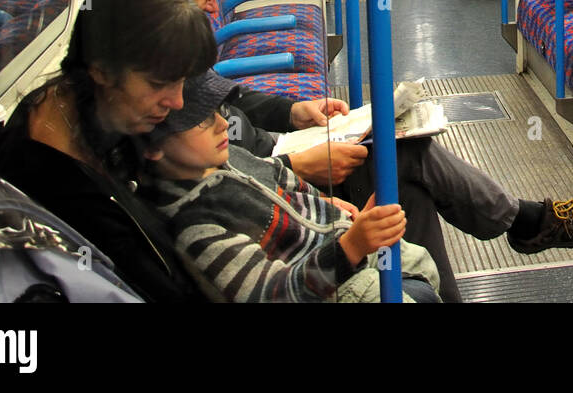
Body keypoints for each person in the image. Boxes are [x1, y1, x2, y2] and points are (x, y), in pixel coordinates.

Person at [127, 0, 573, 302]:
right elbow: (212, 178)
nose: (215, 9)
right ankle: (523, 222)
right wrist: (295, 164)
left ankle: (485, 253)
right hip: (275, 173)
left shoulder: (169, 47)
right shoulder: (145, 74)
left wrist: (297, 112)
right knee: (403, 161)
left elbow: (232, 99)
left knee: (401, 168)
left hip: (279, 153)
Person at [0, 0, 222, 302]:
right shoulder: (57, 192)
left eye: (181, 81)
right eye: (158, 85)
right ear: (101, 69)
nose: (177, 101)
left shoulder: (100, 105)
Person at [141, 69, 441, 303]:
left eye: (219, 111)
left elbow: (287, 181)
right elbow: (275, 295)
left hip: (329, 239)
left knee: (421, 262)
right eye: (202, 122)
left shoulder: (228, 157)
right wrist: (351, 247)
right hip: (326, 280)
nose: (223, 125)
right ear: (153, 148)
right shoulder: (198, 227)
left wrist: (329, 204)